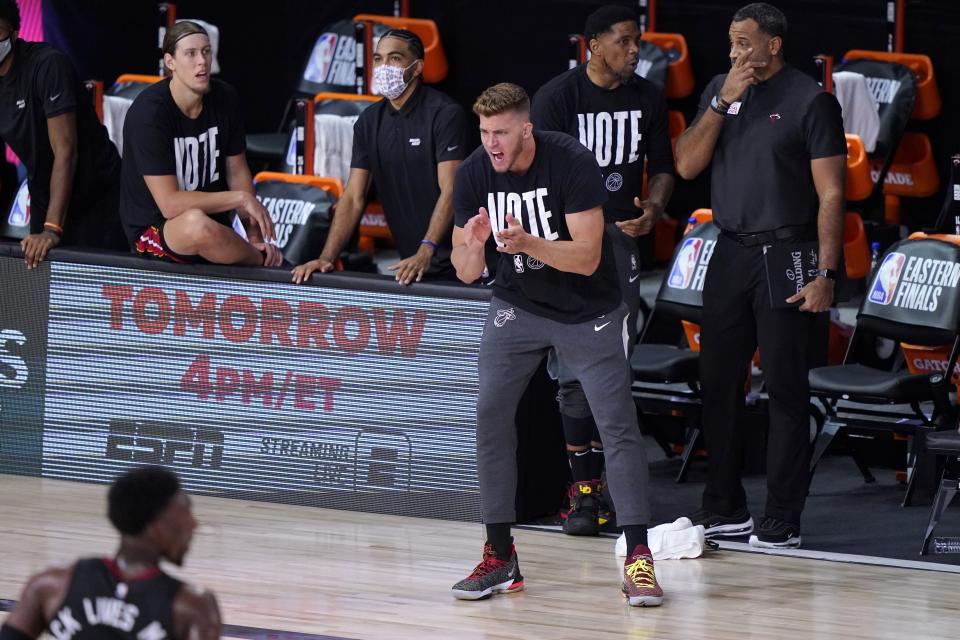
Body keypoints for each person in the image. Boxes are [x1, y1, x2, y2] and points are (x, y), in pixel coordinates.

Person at [449, 83, 661, 606]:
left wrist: (527, 244)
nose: (491, 144)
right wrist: (474, 248)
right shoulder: (475, 171)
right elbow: (464, 269)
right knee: (490, 419)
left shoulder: (570, 162)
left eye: (500, 133)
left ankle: (638, 558)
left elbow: (588, 257)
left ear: (526, 129)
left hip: (589, 311)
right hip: (516, 306)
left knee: (616, 426)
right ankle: (500, 556)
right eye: (484, 133)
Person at [674, 3, 845, 549]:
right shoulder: (720, 92)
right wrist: (722, 100)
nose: (735, 53)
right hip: (728, 249)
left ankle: (782, 519)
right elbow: (686, 165)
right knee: (719, 384)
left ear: (773, 44)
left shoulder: (810, 100)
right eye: (731, 42)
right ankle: (724, 509)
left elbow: (832, 194)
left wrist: (826, 272)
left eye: (745, 43)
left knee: (786, 393)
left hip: (788, 251)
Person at [531, 4, 675, 536]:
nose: (635, 51)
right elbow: (538, 175)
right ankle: (584, 491)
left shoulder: (648, 98)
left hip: (619, 243)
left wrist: (653, 210)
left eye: (637, 42)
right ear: (593, 45)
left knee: (610, 366)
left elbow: (661, 168)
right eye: (624, 42)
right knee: (569, 370)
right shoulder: (557, 97)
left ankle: (612, 489)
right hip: (566, 242)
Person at [291, 28, 467, 286]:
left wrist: (426, 249)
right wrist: (326, 257)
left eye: (394, 58)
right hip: (411, 265)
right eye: (378, 59)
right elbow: (353, 197)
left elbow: (451, 189)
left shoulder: (444, 113)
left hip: (461, 262)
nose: (384, 66)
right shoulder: (368, 121)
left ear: (417, 68)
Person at [120, 20, 280, 266]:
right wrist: (239, 199)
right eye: (191, 54)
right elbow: (170, 205)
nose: (202, 61)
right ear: (170, 62)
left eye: (206, 51)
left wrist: (254, 237)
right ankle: (265, 265)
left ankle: (260, 256)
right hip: (156, 230)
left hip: (214, 226)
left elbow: (236, 170)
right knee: (195, 223)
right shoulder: (149, 114)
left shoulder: (226, 97)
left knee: (203, 223)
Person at [0, 466, 221, 640]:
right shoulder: (192, 606)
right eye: (186, 514)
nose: (193, 525)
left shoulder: (50, 584)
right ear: (157, 526)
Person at [0, 0, 125, 269]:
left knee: (93, 292)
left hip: (98, 195)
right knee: (37, 295)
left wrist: (52, 229)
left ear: (12, 30)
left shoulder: (47, 65)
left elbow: (66, 150)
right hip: (46, 193)